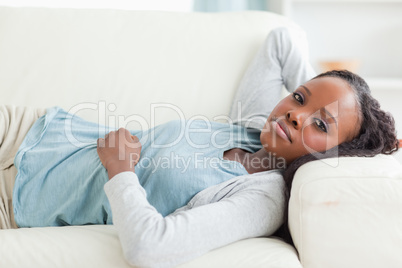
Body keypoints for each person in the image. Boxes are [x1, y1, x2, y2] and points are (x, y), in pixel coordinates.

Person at [0, 28, 399, 268]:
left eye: (319, 125)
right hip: (29, 128)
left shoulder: (261, 198)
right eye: (297, 98)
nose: (295, 115)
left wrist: (120, 171)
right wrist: (329, 102)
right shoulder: (251, 126)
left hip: (18, 200)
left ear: (331, 155)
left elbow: (149, 248)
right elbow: (282, 40)